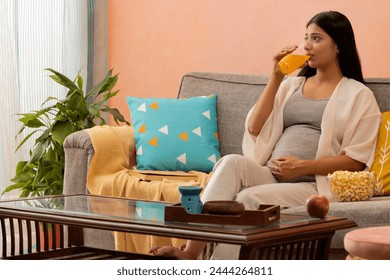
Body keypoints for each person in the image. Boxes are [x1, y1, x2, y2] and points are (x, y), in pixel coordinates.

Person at [149, 10, 382, 259]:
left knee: (248, 198)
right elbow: (254, 128)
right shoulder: (291, 86)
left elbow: (356, 160)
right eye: (306, 38)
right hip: (271, 174)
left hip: (313, 184)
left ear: (338, 46)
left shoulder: (358, 95)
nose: (306, 46)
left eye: (317, 38)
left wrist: (303, 167)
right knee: (231, 162)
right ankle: (190, 252)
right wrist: (276, 76)